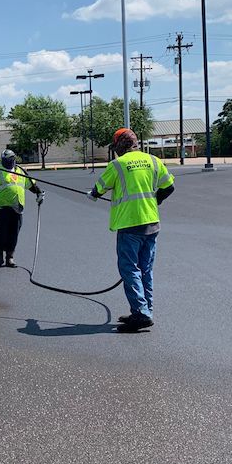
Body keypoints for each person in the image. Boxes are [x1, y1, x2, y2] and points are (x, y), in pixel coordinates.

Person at [88, 128, 175, 333]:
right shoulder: (153, 160)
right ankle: (145, 311)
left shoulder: (117, 165)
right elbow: (169, 187)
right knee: (145, 269)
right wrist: (155, 200)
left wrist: (92, 194)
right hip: (151, 223)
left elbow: (99, 189)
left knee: (129, 269)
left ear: (119, 146)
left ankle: (141, 313)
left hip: (129, 225)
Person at [0, 149, 44, 268]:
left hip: (17, 208)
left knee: (14, 234)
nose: (9, 162)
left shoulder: (20, 171)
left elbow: (30, 185)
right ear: (2, 160)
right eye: (6, 160)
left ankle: (9, 257)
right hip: (1, 209)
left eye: (11, 160)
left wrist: (39, 193)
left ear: (14, 159)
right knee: (1, 235)